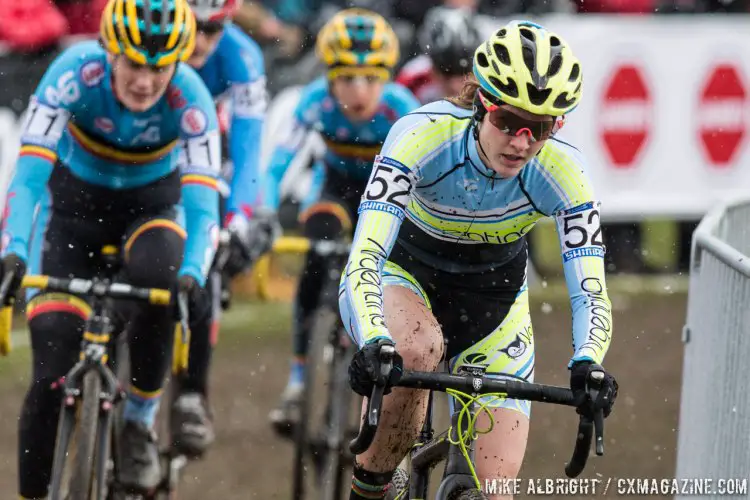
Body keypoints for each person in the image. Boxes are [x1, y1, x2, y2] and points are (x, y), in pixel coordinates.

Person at [339, 20, 619, 500]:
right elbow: (366, 253)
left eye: (542, 129)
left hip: (493, 304)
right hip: (405, 277)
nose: (521, 142)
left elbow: (590, 289)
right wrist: (374, 338)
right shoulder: (420, 136)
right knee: (414, 350)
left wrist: (589, 362)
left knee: (493, 491)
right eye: (508, 122)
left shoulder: (565, 173)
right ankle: (378, 483)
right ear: (481, 105)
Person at [0, 0, 221, 496]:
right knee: (50, 375)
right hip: (70, 219)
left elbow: (204, 206)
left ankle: (138, 423)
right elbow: (29, 175)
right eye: (134, 64)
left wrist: (193, 273)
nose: (146, 81)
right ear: (109, 52)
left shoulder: (191, 98)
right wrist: (11, 248)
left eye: (160, 67)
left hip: (151, 216)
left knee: (164, 282)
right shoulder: (72, 74)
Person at [265, 8, 420, 434]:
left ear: (386, 77)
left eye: (371, 78)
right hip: (333, 193)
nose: (358, 90)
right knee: (317, 254)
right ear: (328, 76)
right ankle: (297, 382)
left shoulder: (402, 107)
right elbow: (278, 164)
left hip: (383, 199)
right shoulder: (313, 100)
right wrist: (262, 209)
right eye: (347, 78)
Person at [170, 0, 275, 458]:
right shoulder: (156, 38)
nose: (201, 42)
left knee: (211, 248)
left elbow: (250, 149)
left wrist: (236, 219)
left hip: (211, 156)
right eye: (193, 28)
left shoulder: (242, 57)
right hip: (154, 147)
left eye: (213, 31)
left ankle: (193, 391)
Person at [396, 6, 482, 104]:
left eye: (464, 73)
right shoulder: (412, 79)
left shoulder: (487, 77)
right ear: (431, 64)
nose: (455, 85)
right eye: (446, 73)